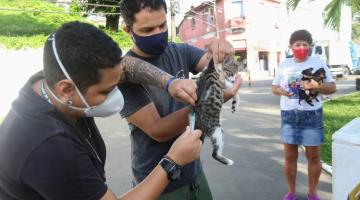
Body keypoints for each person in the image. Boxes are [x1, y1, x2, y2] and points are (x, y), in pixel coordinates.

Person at [0, 21, 203, 200]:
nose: (116, 96)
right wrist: (173, 160)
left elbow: (125, 66)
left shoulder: (54, 78)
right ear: (66, 89)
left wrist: (169, 83)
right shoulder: (50, 147)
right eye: (106, 91)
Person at [118, 0, 242, 199]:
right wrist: (206, 104)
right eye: (148, 29)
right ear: (128, 29)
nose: (158, 33)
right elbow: (158, 130)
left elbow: (214, 65)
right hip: (158, 183)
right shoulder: (124, 74)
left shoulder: (179, 51)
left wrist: (225, 53)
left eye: (162, 25)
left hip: (194, 173)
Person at [272, 29, 336, 200]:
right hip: (289, 115)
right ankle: (291, 192)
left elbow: (332, 88)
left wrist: (317, 86)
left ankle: (312, 193)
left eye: (305, 44)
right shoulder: (284, 65)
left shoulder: (319, 62)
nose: (301, 47)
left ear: (310, 46)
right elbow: (274, 87)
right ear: (291, 46)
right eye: (297, 44)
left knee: (314, 156)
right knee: (290, 157)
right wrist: (282, 92)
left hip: (312, 115)